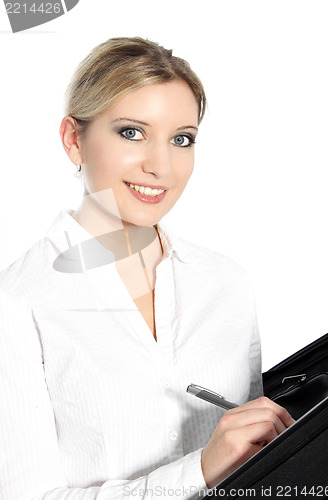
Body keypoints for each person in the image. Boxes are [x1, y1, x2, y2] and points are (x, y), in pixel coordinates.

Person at [0, 37, 294, 500]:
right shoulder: (19, 302)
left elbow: (253, 470)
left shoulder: (226, 283)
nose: (161, 166)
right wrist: (199, 471)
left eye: (182, 139)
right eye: (132, 132)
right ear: (74, 140)